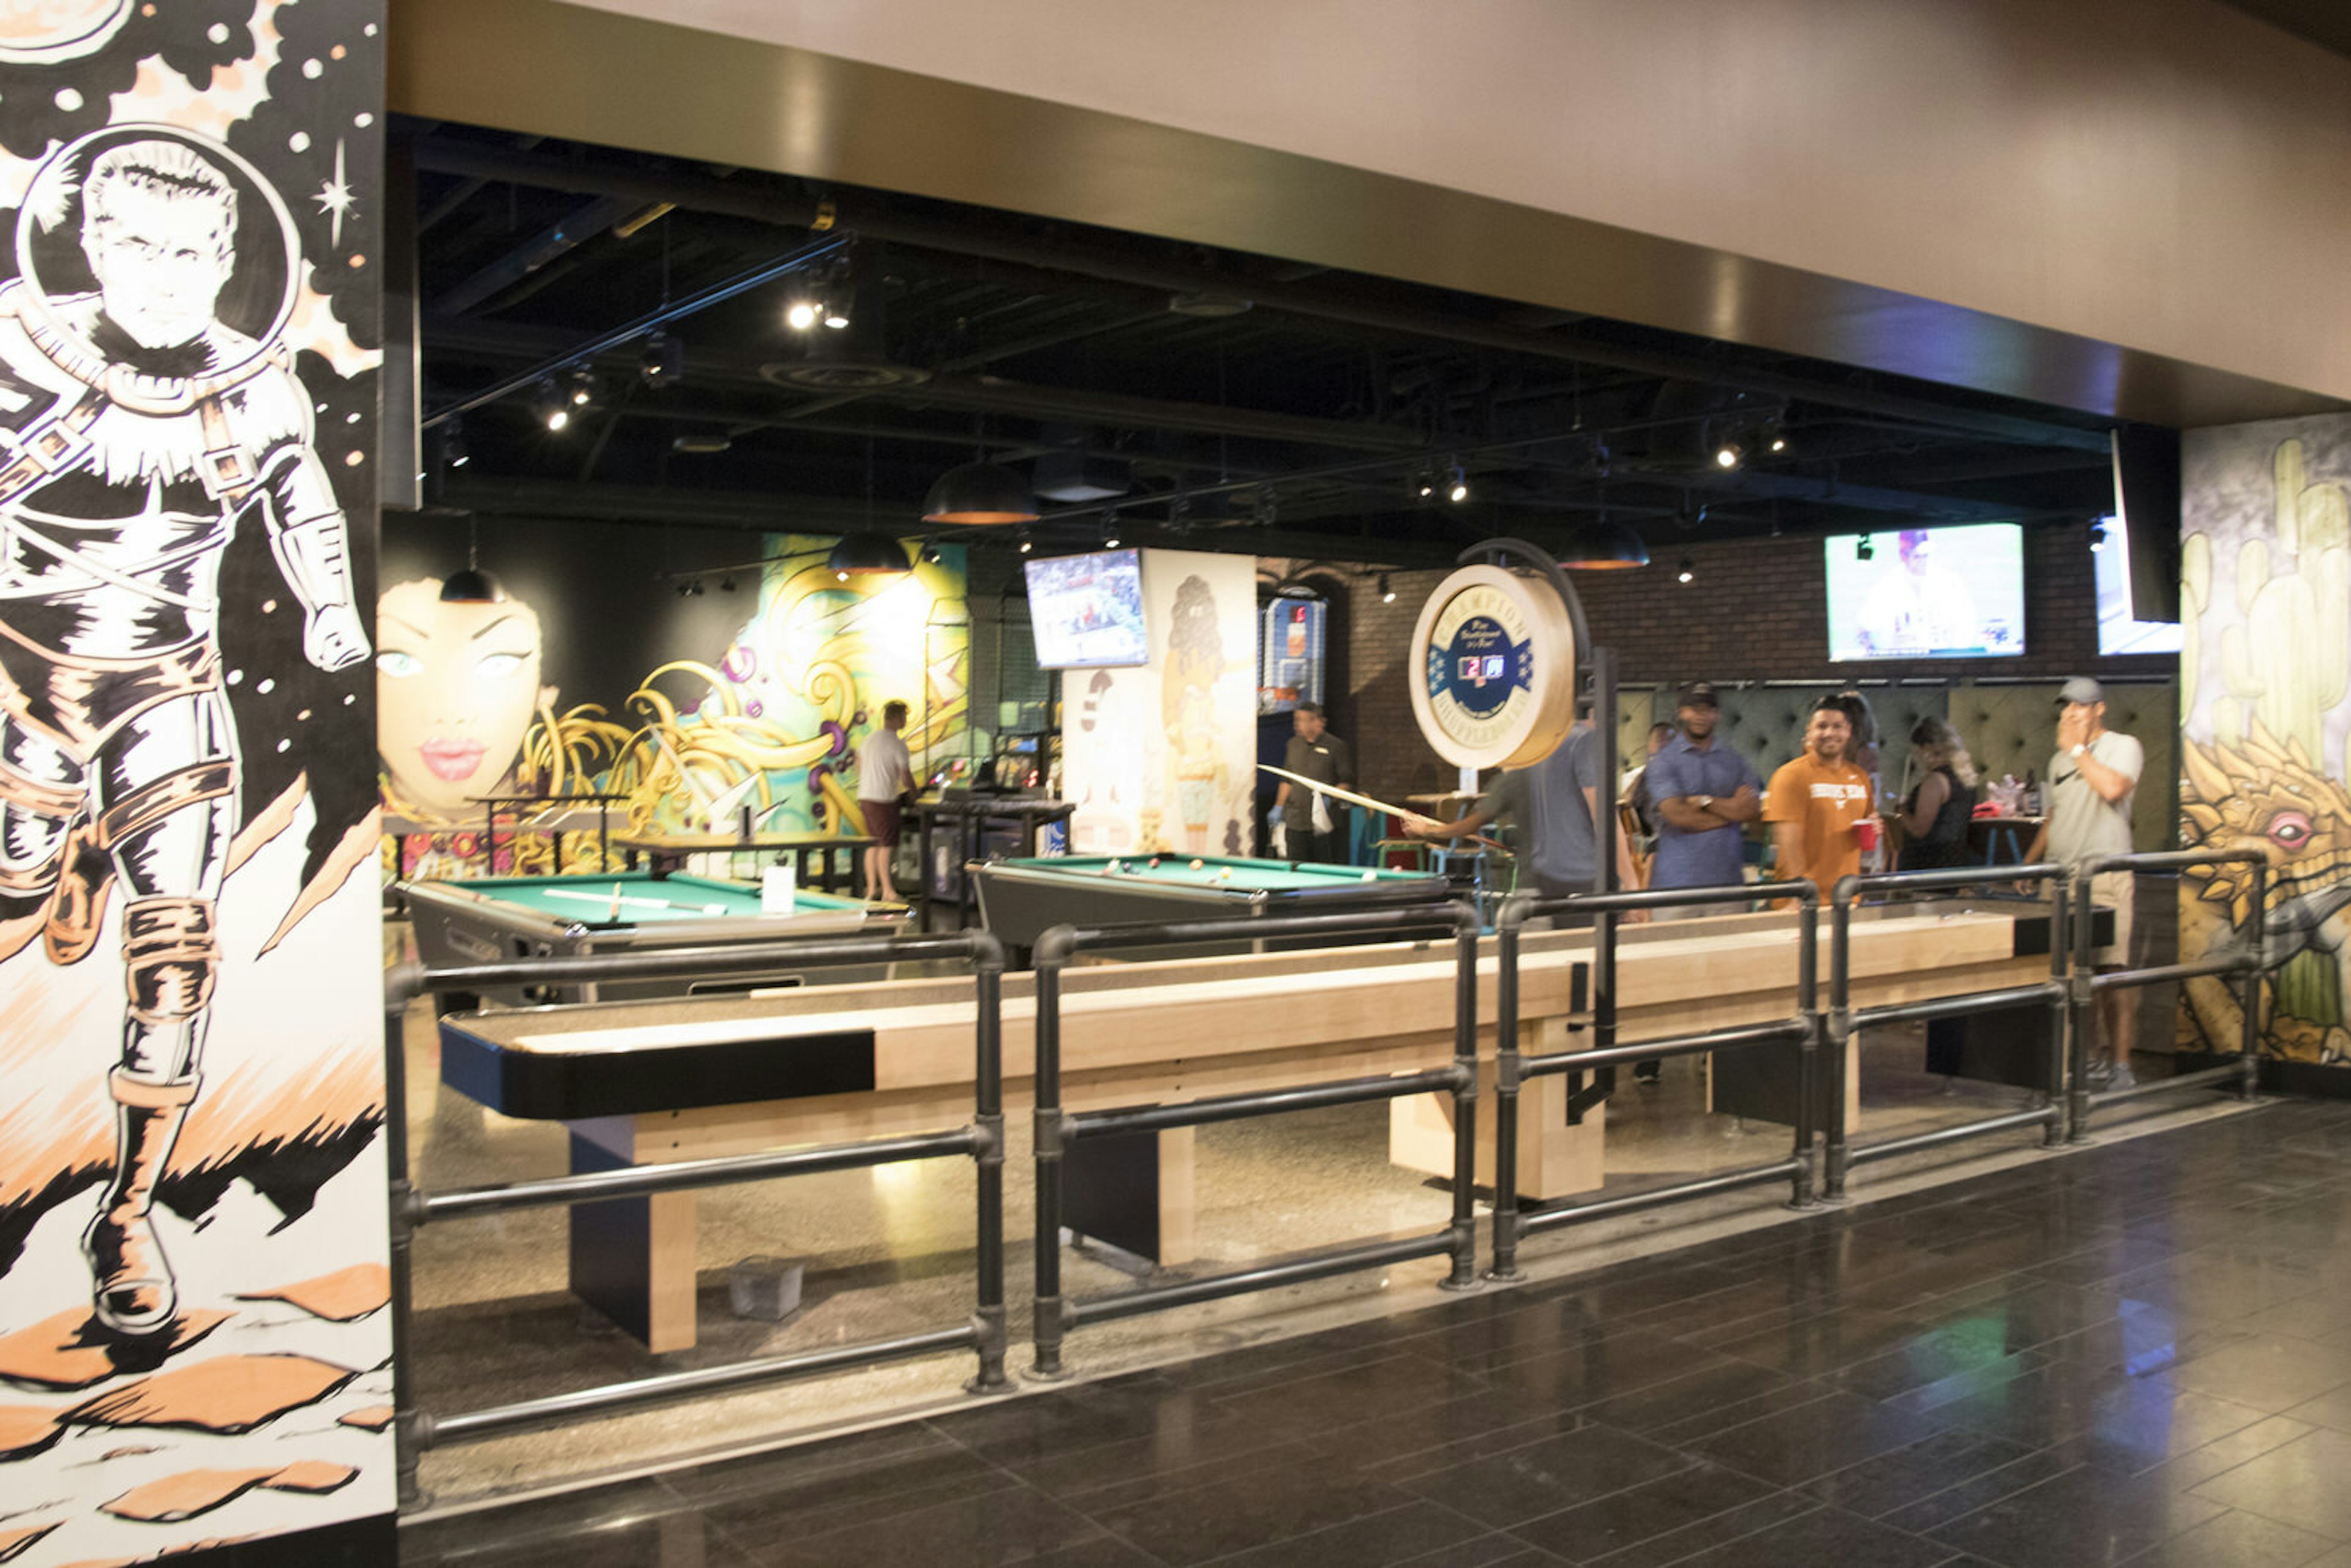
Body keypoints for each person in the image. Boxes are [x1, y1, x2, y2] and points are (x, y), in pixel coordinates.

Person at [0, 138, 369, 1334]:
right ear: (95, 247)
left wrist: (333, 611)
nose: (165, 275)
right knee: (8, 890)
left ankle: (129, 1208)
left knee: (179, 946)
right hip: (24, 667)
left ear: (226, 260)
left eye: (192, 254)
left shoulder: (256, 384)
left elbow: (301, 495)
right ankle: (60, 862)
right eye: (139, 248)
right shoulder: (15, 340)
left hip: (170, 678)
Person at [1400, 719, 1642, 922]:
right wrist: (1631, 887)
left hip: (1543, 883)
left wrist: (1427, 830)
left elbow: (1468, 826)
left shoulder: (1521, 773)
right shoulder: (1572, 747)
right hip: (1572, 883)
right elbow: (1604, 819)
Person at [2024, 677, 2143, 1088]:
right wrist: (2029, 864)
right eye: (2067, 706)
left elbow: (2113, 788)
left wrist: (2077, 749)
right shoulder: (2058, 761)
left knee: (2112, 972)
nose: (2071, 712)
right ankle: (2088, 1056)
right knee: (2074, 974)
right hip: (2061, 878)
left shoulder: (2123, 746)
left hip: (2106, 876)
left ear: (2099, 709)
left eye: (2080, 705)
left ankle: (2121, 1064)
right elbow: (2055, 815)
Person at [1644, 682, 1764, 920]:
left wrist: (1704, 801)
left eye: (1708, 709)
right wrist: (1730, 813)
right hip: (1675, 886)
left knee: (1730, 957)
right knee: (1674, 956)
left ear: (1717, 715)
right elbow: (1678, 816)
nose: (1701, 716)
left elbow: (1750, 808)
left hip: (1729, 885)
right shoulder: (1663, 762)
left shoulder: (1734, 760)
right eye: (1693, 708)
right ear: (1681, 712)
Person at [1763, 697, 1877, 901]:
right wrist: (1797, 897)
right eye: (1822, 726)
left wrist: (1876, 826)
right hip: (1804, 903)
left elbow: (1868, 820)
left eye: (1837, 726)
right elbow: (1789, 841)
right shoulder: (1791, 775)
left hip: (1846, 899)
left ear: (1848, 731)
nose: (1830, 733)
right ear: (1809, 730)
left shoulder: (1860, 777)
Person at [1272, 701, 1354, 863]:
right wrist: (1278, 806)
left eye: (1302, 720)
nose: (1297, 725)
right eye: (1296, 720)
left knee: (1323, 866)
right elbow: (1287, 779)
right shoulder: (1293, 745)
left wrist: (1331, 798)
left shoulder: (1336, 747)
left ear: (1317, 722)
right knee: (1294, 865)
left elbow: (1347, 781)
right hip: (1295, 820)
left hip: (1323, 823)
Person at [1897, 717, 1979, 871]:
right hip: (1956, 861)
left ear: (1927, 748)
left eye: (1918, 750)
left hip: (1928, 863)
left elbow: (1919, 829)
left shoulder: (1935, 781)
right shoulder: (1966, 779)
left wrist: (1901, 810)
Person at [856, 699, 915, 901]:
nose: (906, 721)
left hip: (865, 797)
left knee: (873, 844)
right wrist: (915, 794)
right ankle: (888, 891)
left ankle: (872, 889)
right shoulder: (897, 744)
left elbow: (859, 767)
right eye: (904, 717)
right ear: (898, 718)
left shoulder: (869, 740)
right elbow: (906, 776)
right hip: (884, 799)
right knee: (886, 845)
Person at [1622, 721, 1676, 834]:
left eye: (1669, 740)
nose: (1664, 744)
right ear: (1650, 745)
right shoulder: (1643, 776)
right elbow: (1626, 805)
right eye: (1659, 740)